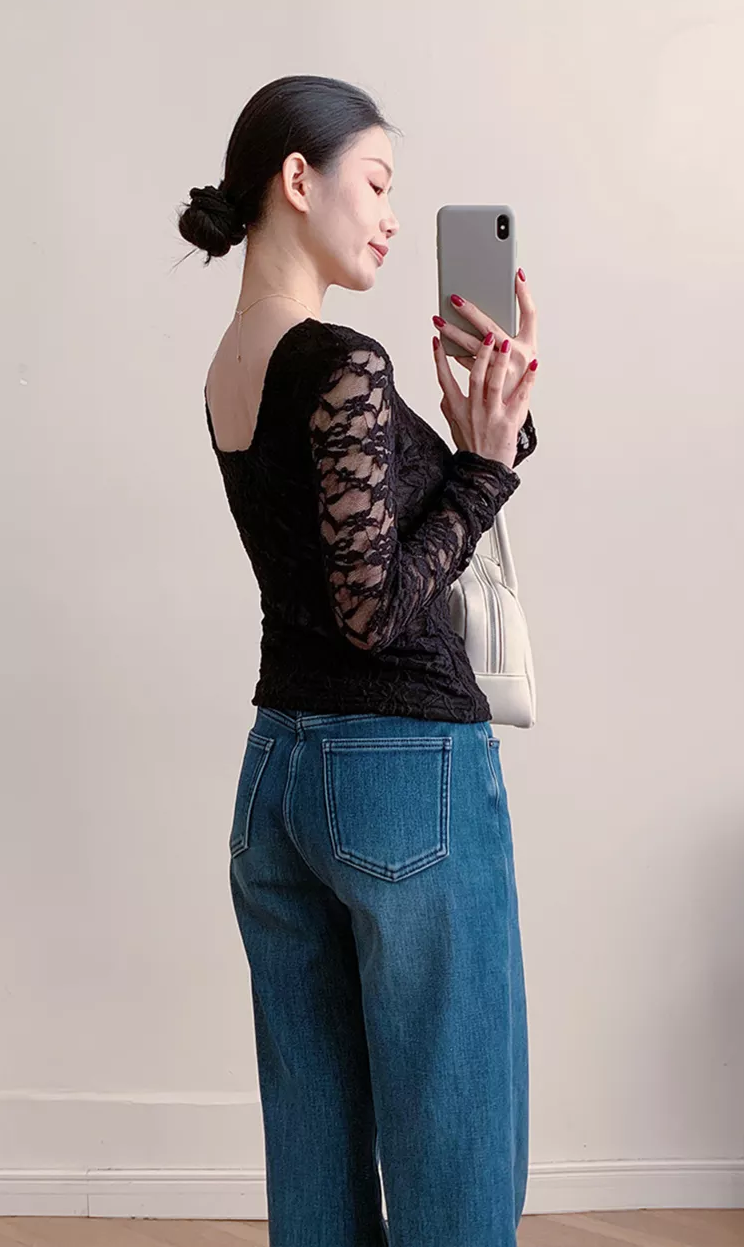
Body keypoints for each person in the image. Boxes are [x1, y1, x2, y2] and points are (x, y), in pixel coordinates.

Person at [177, 74, 539, 1247]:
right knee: (454, 1151)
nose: (389, 218)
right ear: (299, 178)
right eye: (376, 184)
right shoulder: (342, 360)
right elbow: (376, 610)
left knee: (318, 1154)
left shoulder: (234, 363)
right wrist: (483, 471)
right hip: (402, 773)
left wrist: (481, 431)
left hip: (278, 777)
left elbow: (348, 561)